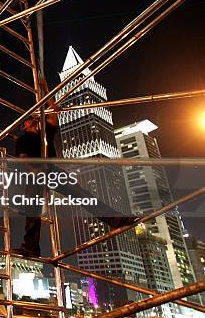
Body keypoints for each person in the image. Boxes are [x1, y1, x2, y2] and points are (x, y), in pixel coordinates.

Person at [13, 81, 137, 258]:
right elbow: (24, 160)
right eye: (27, 120)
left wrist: (46, 91)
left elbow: (54, 113)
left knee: (82, 194)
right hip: (35, 174)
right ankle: (30, 247)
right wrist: (34, 172)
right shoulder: (22, 140)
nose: (30, 120)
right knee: (32, 211)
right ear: (25, 125)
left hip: (51, 170)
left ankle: (116, 219)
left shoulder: (45, 133)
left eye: (30, 118)